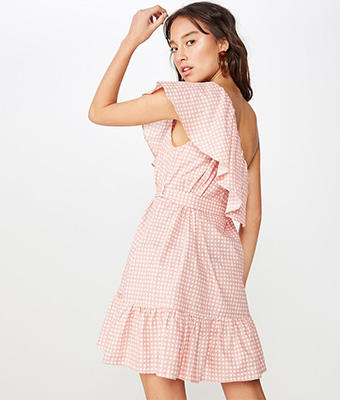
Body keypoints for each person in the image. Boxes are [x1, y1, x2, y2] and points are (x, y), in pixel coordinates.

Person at [88, 2, 266, 399]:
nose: (180, 55)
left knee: (160, 370)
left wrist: (130, 41)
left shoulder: (196, 98)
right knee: (239, 372)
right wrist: (233, 286)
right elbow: (252, 216)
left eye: (191, 41)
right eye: (173, 47)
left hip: (167, 246)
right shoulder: (248, 115)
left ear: (223, 43)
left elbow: (99, 111)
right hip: (221, 254)